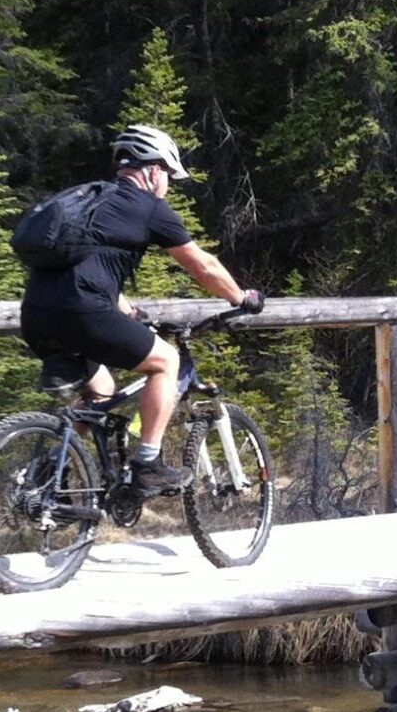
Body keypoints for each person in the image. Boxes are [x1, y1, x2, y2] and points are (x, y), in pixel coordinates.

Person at [17, 124, 264, 498]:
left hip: (36, 314)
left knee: (100, 390)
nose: (168, 183)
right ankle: (147, 463)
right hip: (83, 313)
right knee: (166, 361)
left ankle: (49, 472)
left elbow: (88, 263)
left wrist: (124, 309)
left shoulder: (91, 203)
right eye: (168, 174)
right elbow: (203, 266)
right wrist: (240, 297)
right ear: (152, 169)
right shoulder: (149, 208)